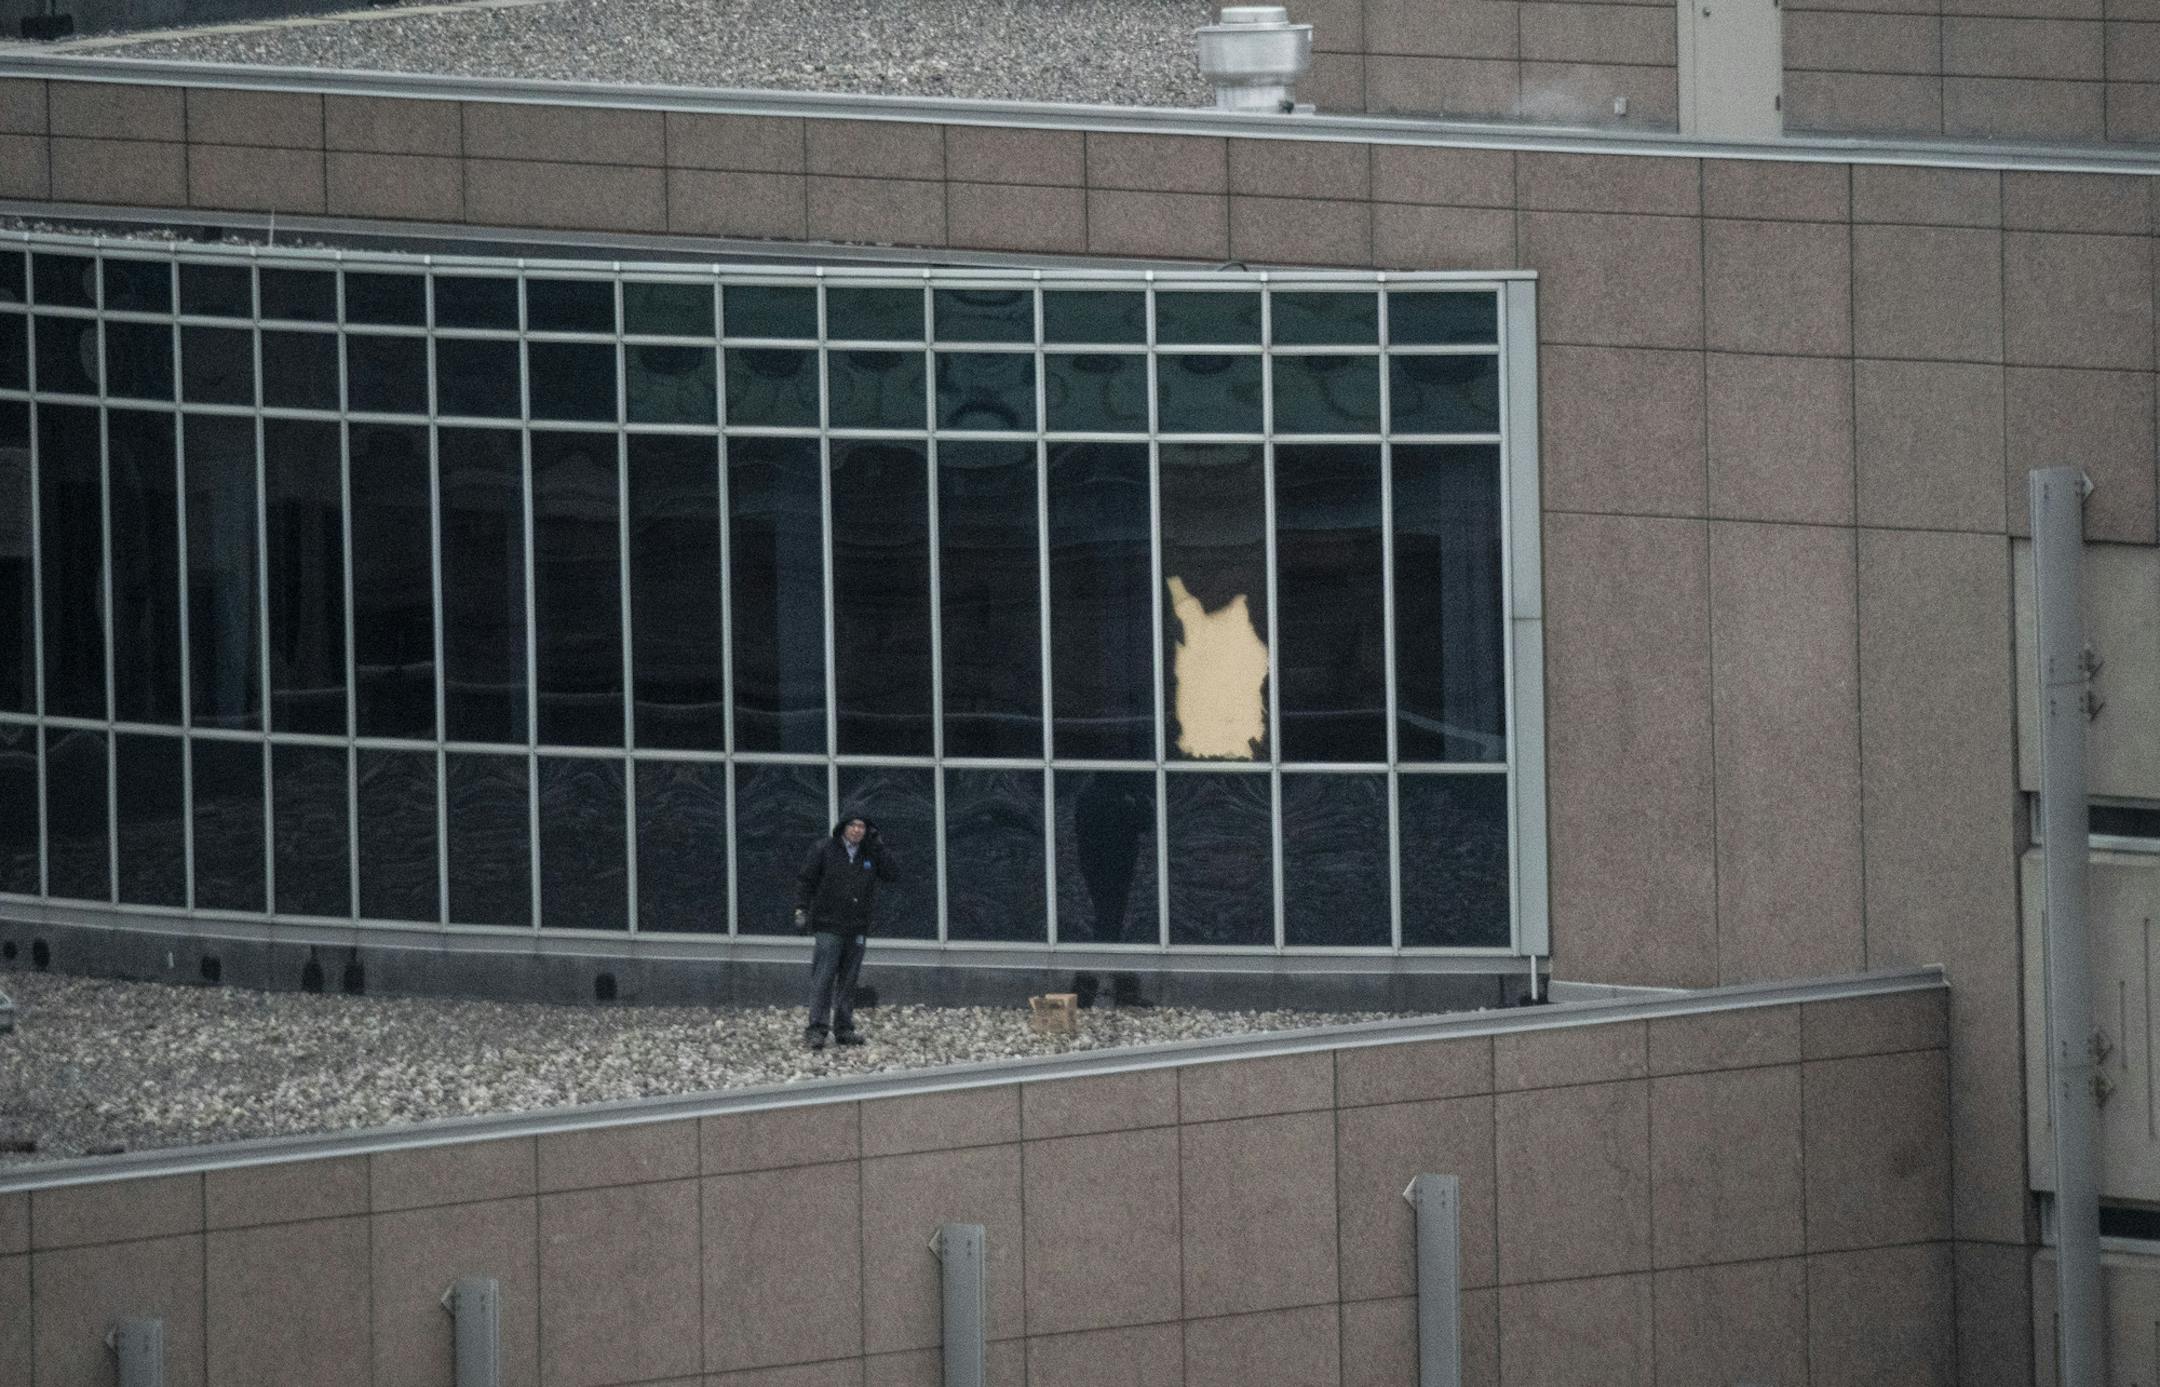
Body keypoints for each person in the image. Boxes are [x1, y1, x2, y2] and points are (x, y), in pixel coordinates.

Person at [793, 813, 896, 1049]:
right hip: (829, 924)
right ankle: (817, 1028)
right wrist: (801, 910)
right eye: (853, 825)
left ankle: (844, 1027)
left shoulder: (870, 854)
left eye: (862, 826)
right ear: (843, 828)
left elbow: (892, 874)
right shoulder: (824, 849)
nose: (858, 830)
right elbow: (806, 881)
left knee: (849, 981)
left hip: (857, 926)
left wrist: (879, 847)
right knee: (823, 978)